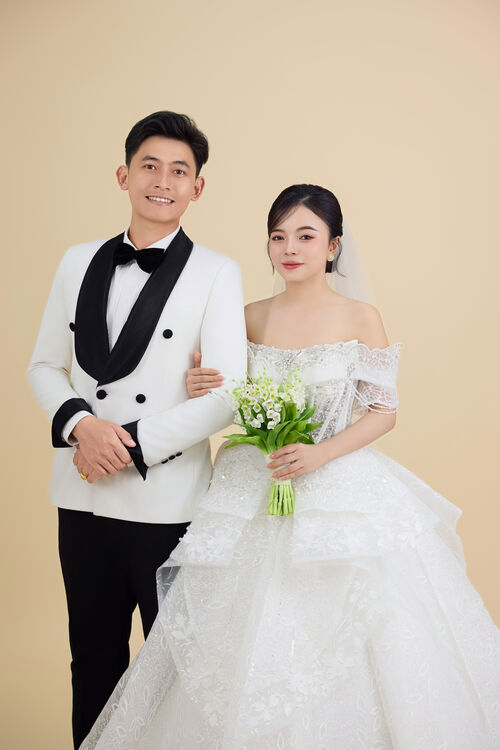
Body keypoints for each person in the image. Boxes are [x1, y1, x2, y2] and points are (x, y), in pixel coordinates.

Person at [80, 185, 500, 749]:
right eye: (278, 237)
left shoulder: (361, 317)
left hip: (335, 482)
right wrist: (200, 383)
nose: (290, 249)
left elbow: (385, 413)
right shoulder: (248, 317)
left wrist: (320, 453)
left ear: (334, 246)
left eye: (305, 236)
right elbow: (226, 395)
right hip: (253, 484)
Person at [27, 110, 247, 749]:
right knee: (91, 658)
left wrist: (123, 444)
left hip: (167, 501)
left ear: (197, 188)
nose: (163, 181)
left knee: (171, 671)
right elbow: (44, 365)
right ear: (124, 175)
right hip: (82, 494)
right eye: (150, 166)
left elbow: (226, 395)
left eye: (179, 171)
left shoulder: (217, 271)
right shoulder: (76, 261)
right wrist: (80, 426)